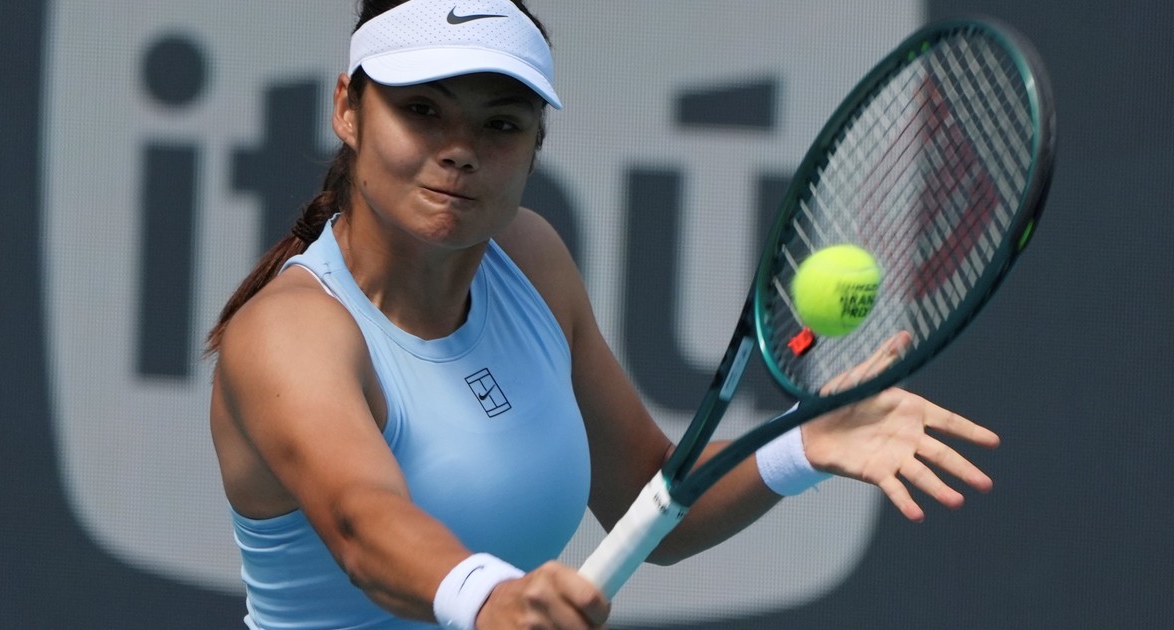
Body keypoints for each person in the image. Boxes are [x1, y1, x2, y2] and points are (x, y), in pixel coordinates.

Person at [206, 1, 1001, 628]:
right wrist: (488, 600)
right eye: (422, 110)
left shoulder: (530, 258)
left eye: (501, 123)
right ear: (348, 109)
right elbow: (361, 522)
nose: (460, 149)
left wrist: (801, 443)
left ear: (536, 144)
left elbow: (652, 499)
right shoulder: (290, 332)